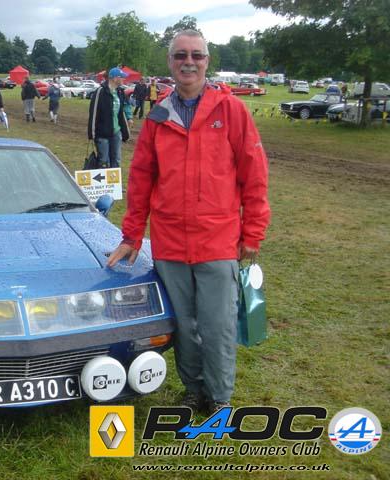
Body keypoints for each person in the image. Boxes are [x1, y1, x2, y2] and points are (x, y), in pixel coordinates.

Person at [106, 30, 270, 414]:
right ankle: (194, 389)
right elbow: (142, 179)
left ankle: (220, 396)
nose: (189, 62)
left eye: (196, 55)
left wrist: (253, 232)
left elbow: (255, 175)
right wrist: (132, 235)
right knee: (182, 323)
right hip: (171, 244)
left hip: (218, 240)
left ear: (207, 61)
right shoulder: (159, 115)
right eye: (181, 55)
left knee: (218, 325)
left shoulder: (231, 111)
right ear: (170, 62)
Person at [87, 67, 130, 168]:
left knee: (116, 160)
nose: (124, 79)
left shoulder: (120, 92)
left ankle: (115, 179)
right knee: (103, 161)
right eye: (121, 77)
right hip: (102, 134)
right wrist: (92, 134)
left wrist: (125, 132)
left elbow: (121, 113)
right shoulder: (100, 91)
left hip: (116, 132)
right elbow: (93, 113)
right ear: (114, 78)